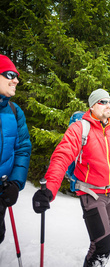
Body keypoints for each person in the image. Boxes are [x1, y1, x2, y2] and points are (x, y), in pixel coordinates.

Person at [32, 88, 110, 266]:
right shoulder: (80, 128)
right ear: (93, 105)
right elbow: (62, 156)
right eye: (103, 102)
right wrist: (49, 188)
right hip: (91, 194)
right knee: (103, 245)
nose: (108, 105)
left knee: (99, 239)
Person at [0, 54, 32, 243]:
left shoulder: (14, 111)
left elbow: (22, 148)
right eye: (10, 74)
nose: (16, 80)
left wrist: (15, 183)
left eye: (17, 76)